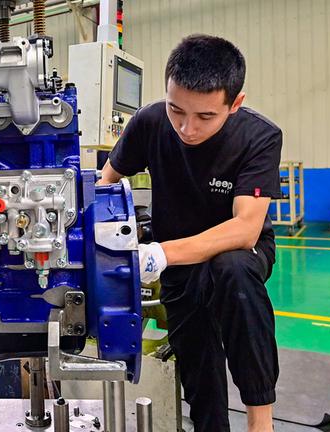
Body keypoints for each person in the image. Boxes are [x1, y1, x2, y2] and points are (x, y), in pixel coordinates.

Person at [97, 35, 280, 431]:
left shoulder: (259, 137)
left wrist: (160, 253)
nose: (186, 128)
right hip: (178, 265)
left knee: (233, 271)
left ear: (235, 104)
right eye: (176, 110)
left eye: (205, 117)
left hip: (236, 256)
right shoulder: (149, 122)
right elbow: (105, 184)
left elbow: (246, 230)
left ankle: (261, 422)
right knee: (199, 368)